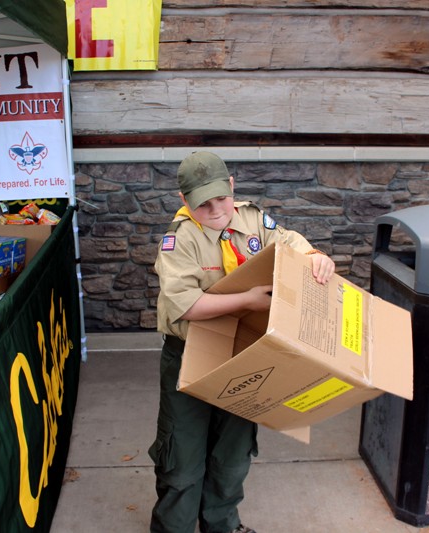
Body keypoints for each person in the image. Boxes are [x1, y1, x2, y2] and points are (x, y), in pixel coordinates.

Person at [150, 151, 335, 533]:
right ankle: (175, 528)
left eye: (221, 198)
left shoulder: (251, 218)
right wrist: (248, 301)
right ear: (185, 200)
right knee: (182, 457)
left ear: (232, 187)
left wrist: (315, 256)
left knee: (232, 453)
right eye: (202, 203)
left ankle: (221, 523)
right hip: (191, 355)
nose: (216, 209)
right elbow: (185, 305)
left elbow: (289, 243)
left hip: (245, 353)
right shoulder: (180, 239)